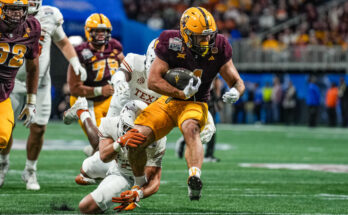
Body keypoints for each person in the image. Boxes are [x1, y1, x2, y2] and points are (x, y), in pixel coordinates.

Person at [118, 7, 245, 201]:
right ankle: (139, 182)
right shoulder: (170, 41)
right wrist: (179, 92)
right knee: (136, 140)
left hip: (196, 102)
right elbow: (153, 81)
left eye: (209, 36)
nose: (206, 42)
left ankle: (194, 176)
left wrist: (236, 91)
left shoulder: (219, 45)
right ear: (185, 34)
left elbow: (236, 80)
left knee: (190, 128)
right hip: (168, 101)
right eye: (199, 37)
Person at [1, 0, 87, 190]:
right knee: (6, 129)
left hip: (40, 83)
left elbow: (62, 41)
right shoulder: (7, 18)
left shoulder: (49, 16)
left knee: (39, 128)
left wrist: (75, 62)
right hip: (11, 82)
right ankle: (3, 164)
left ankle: (30, 170)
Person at [64, 98, 165, 214]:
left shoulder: (158, 138)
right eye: (127, 129)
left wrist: (138, 192)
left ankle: (110, 187)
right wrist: (119, 142)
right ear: (121, 121)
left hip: (127, 175)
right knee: (84, 171)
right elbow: (104, 157)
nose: (131, 132)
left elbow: (155, 180)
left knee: (86, 207)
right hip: (113, 161)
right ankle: (101, 178)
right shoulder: (110, 124)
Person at [0, 0, 41, 188]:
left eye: (20, 9)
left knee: (2, 137)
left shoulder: (32, 28)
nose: (17, 14)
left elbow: (33, 67)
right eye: (11, 8)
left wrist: (31, 102)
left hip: (3, 93)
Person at [67, 13, 124, 138]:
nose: (101, 34)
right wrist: (100, 90)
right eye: (97, 31)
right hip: (87, 101)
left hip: (110, 98)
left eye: (104, 31)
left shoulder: (114, 46)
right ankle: (79, 112)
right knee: (99, 140)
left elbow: (126, 69)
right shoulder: (80, 53)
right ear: (88, 32)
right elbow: (74, 88)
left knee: (120, 135)